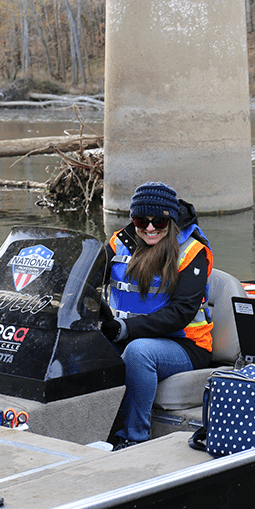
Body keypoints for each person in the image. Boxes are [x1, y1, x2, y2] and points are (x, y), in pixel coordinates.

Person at [100, 181, 213, 450]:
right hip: (126, 332)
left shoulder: (192, 252)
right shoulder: (119, 242)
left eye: (158, 223)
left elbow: (181, 313)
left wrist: (126, 328)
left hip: (186, 345)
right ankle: (93, 431)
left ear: (171, 221)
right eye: (141, 220)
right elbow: (88, 276)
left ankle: (134, 437)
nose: (149, 228)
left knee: (139, 353)